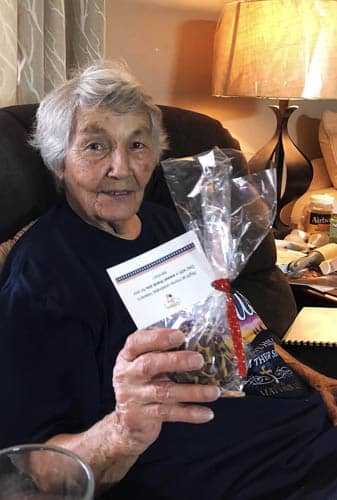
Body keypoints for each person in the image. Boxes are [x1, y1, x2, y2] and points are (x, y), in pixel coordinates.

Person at [1, 61, 337, 500]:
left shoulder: (171, 225)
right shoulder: (42, 274)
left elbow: (243, 329)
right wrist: (124, 430)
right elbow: (36, 472)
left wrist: (318, 380)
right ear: (58, 161)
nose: (121, 167)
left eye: (137, 144)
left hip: (315, 438)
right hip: (252, 481)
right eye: (96, 146)